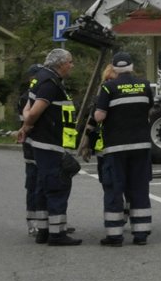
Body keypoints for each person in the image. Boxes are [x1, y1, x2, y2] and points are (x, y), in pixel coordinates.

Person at [14, 48, 83, 246]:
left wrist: (26, 127)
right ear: (61, 64)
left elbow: (30, 109)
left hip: (45, 142)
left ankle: (44, 231)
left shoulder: (42, 79)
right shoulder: (50, 83)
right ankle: (57, 234)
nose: (71, 65)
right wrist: (27, 121)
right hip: (51, 143)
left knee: (45, 186)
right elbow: (34, 111)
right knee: (57, 186)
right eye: (70, 62)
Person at [93, 52, 156, 246]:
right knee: (139, 188)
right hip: (141, 146)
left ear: (114, 68)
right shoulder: (145, 85)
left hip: (116, 147)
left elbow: (99, 117)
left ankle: (115, 235)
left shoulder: (108, 87)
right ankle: (141, 234)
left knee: (114, 188)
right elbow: (149, 110)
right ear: (131, 67)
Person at [83, 64, 120, 242]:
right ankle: (116, 216)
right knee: (107, 184)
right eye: (107, 80)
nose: (109, 84)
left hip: (117, 149)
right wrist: (86, 144)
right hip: (103, 149)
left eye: (112, 80)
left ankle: (119, 217)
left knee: (117, 185)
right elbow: (92, 123)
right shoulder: (100, 98)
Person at [15, 63, 43, 237]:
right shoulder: (27, 97)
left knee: (45, 184)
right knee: (33, 184)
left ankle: (45, 221)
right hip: (32, 146)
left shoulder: (36, 95)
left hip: (38, 145)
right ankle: (33, 222)